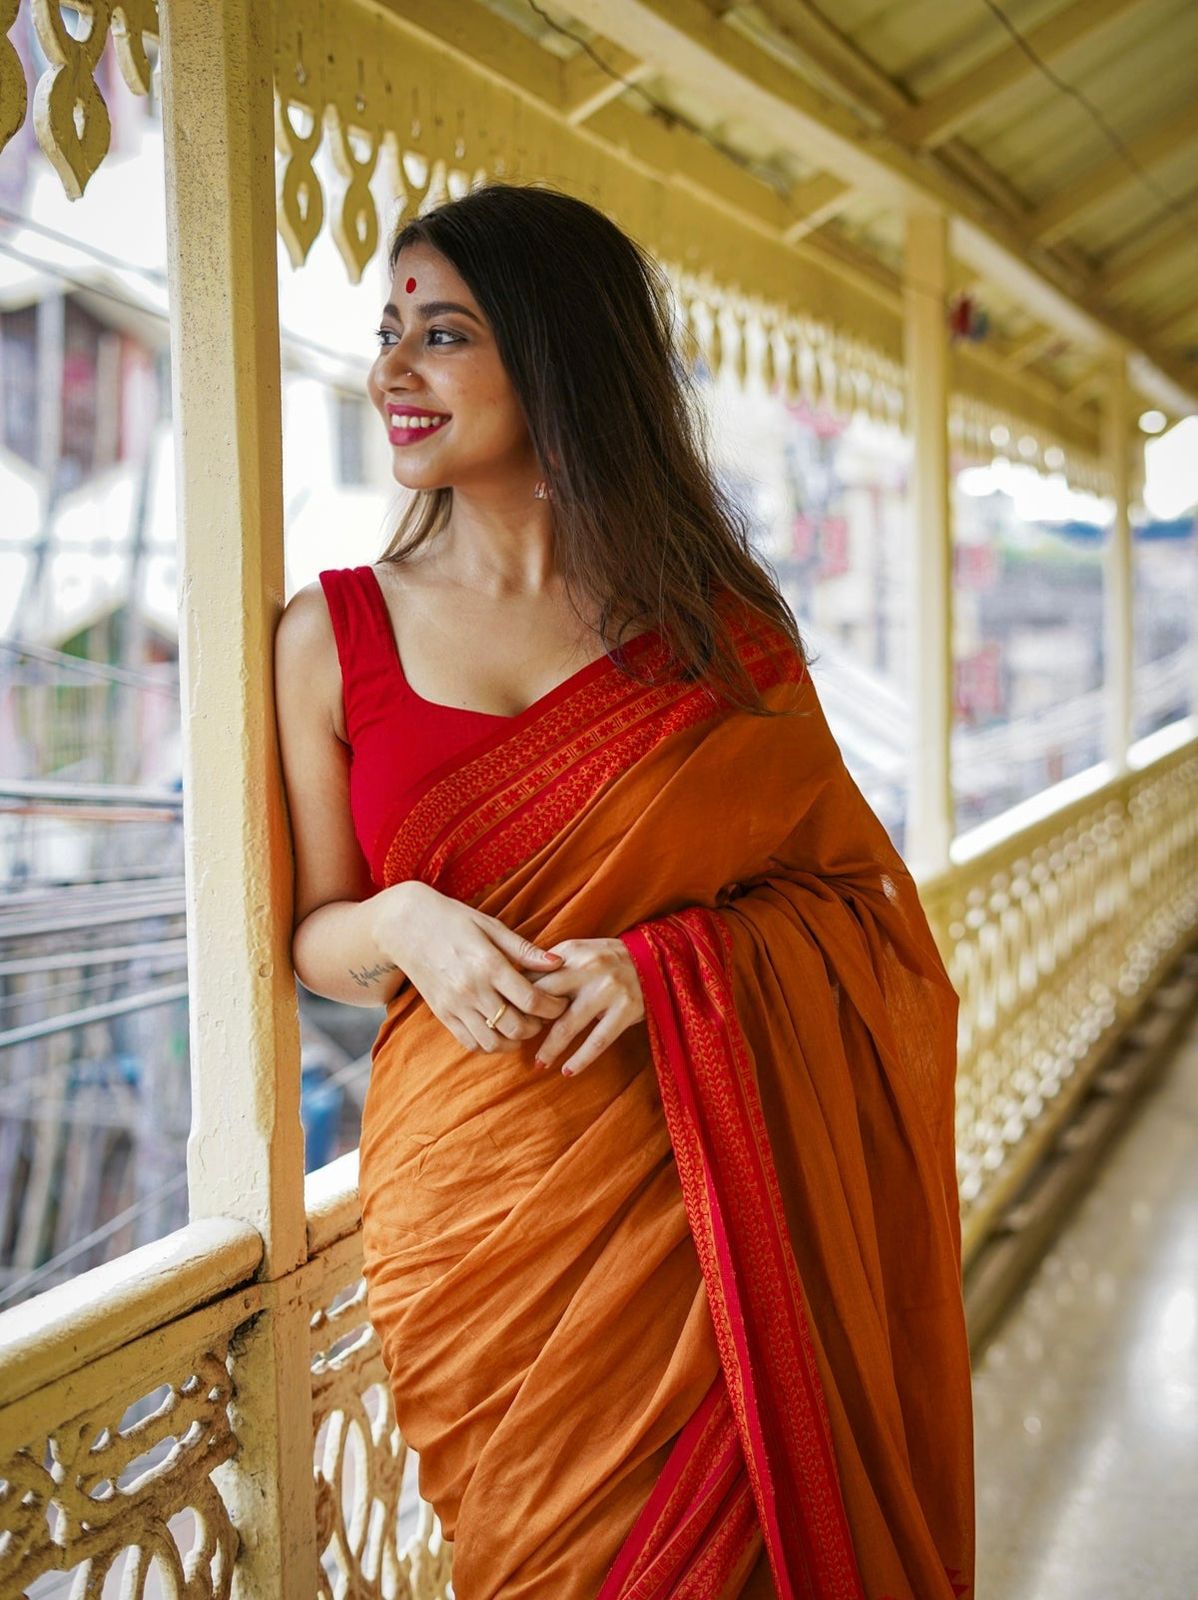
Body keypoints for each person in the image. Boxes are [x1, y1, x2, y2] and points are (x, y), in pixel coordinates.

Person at [274, 180, 975, 1600]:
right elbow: (308, 941)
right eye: (388, 329)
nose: (390, 373)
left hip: (704, 1197)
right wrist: (404, 922)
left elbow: (858, 913)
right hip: (477, 1214)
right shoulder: (327, 633)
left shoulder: (719, 635)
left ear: (557, 354)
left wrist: (660, 970)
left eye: (444, 333)